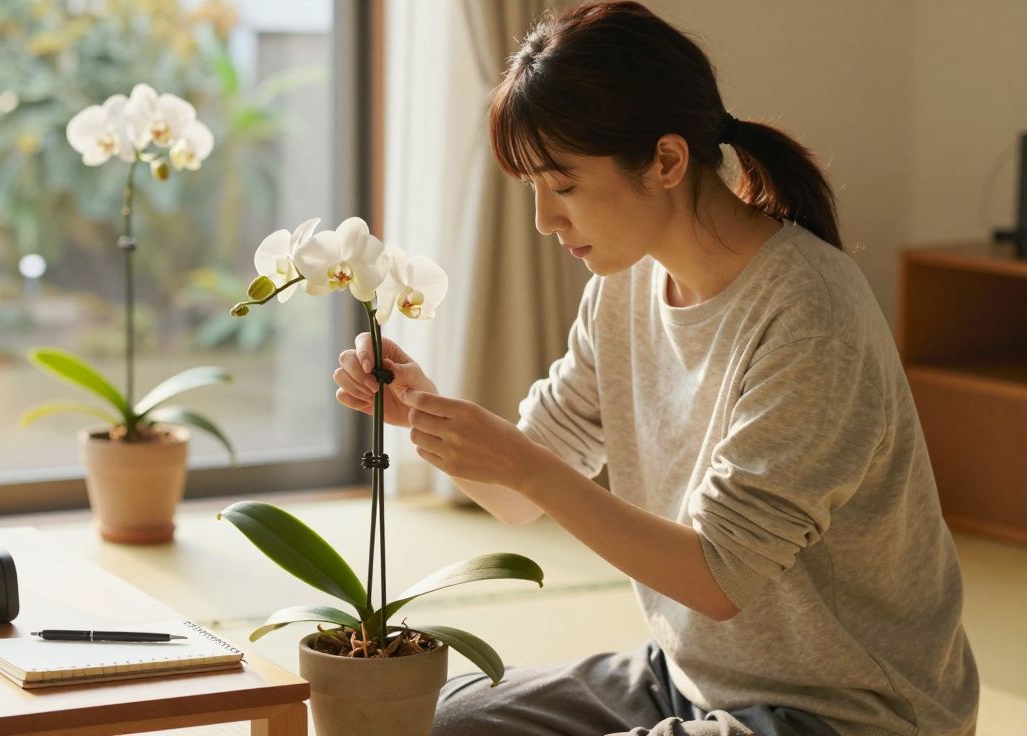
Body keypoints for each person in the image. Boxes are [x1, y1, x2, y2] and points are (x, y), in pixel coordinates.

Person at [331, 2, 978, 734]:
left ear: (667, 161)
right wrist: (421, 412)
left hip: (848, 713)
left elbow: (716, 576)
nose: (545, 219)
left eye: (564, 185)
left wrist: (526, 467)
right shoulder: (623, 286)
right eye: (532, 190)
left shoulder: (810, 313)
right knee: (425, 724)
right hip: (686, 680)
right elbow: (516, 497)